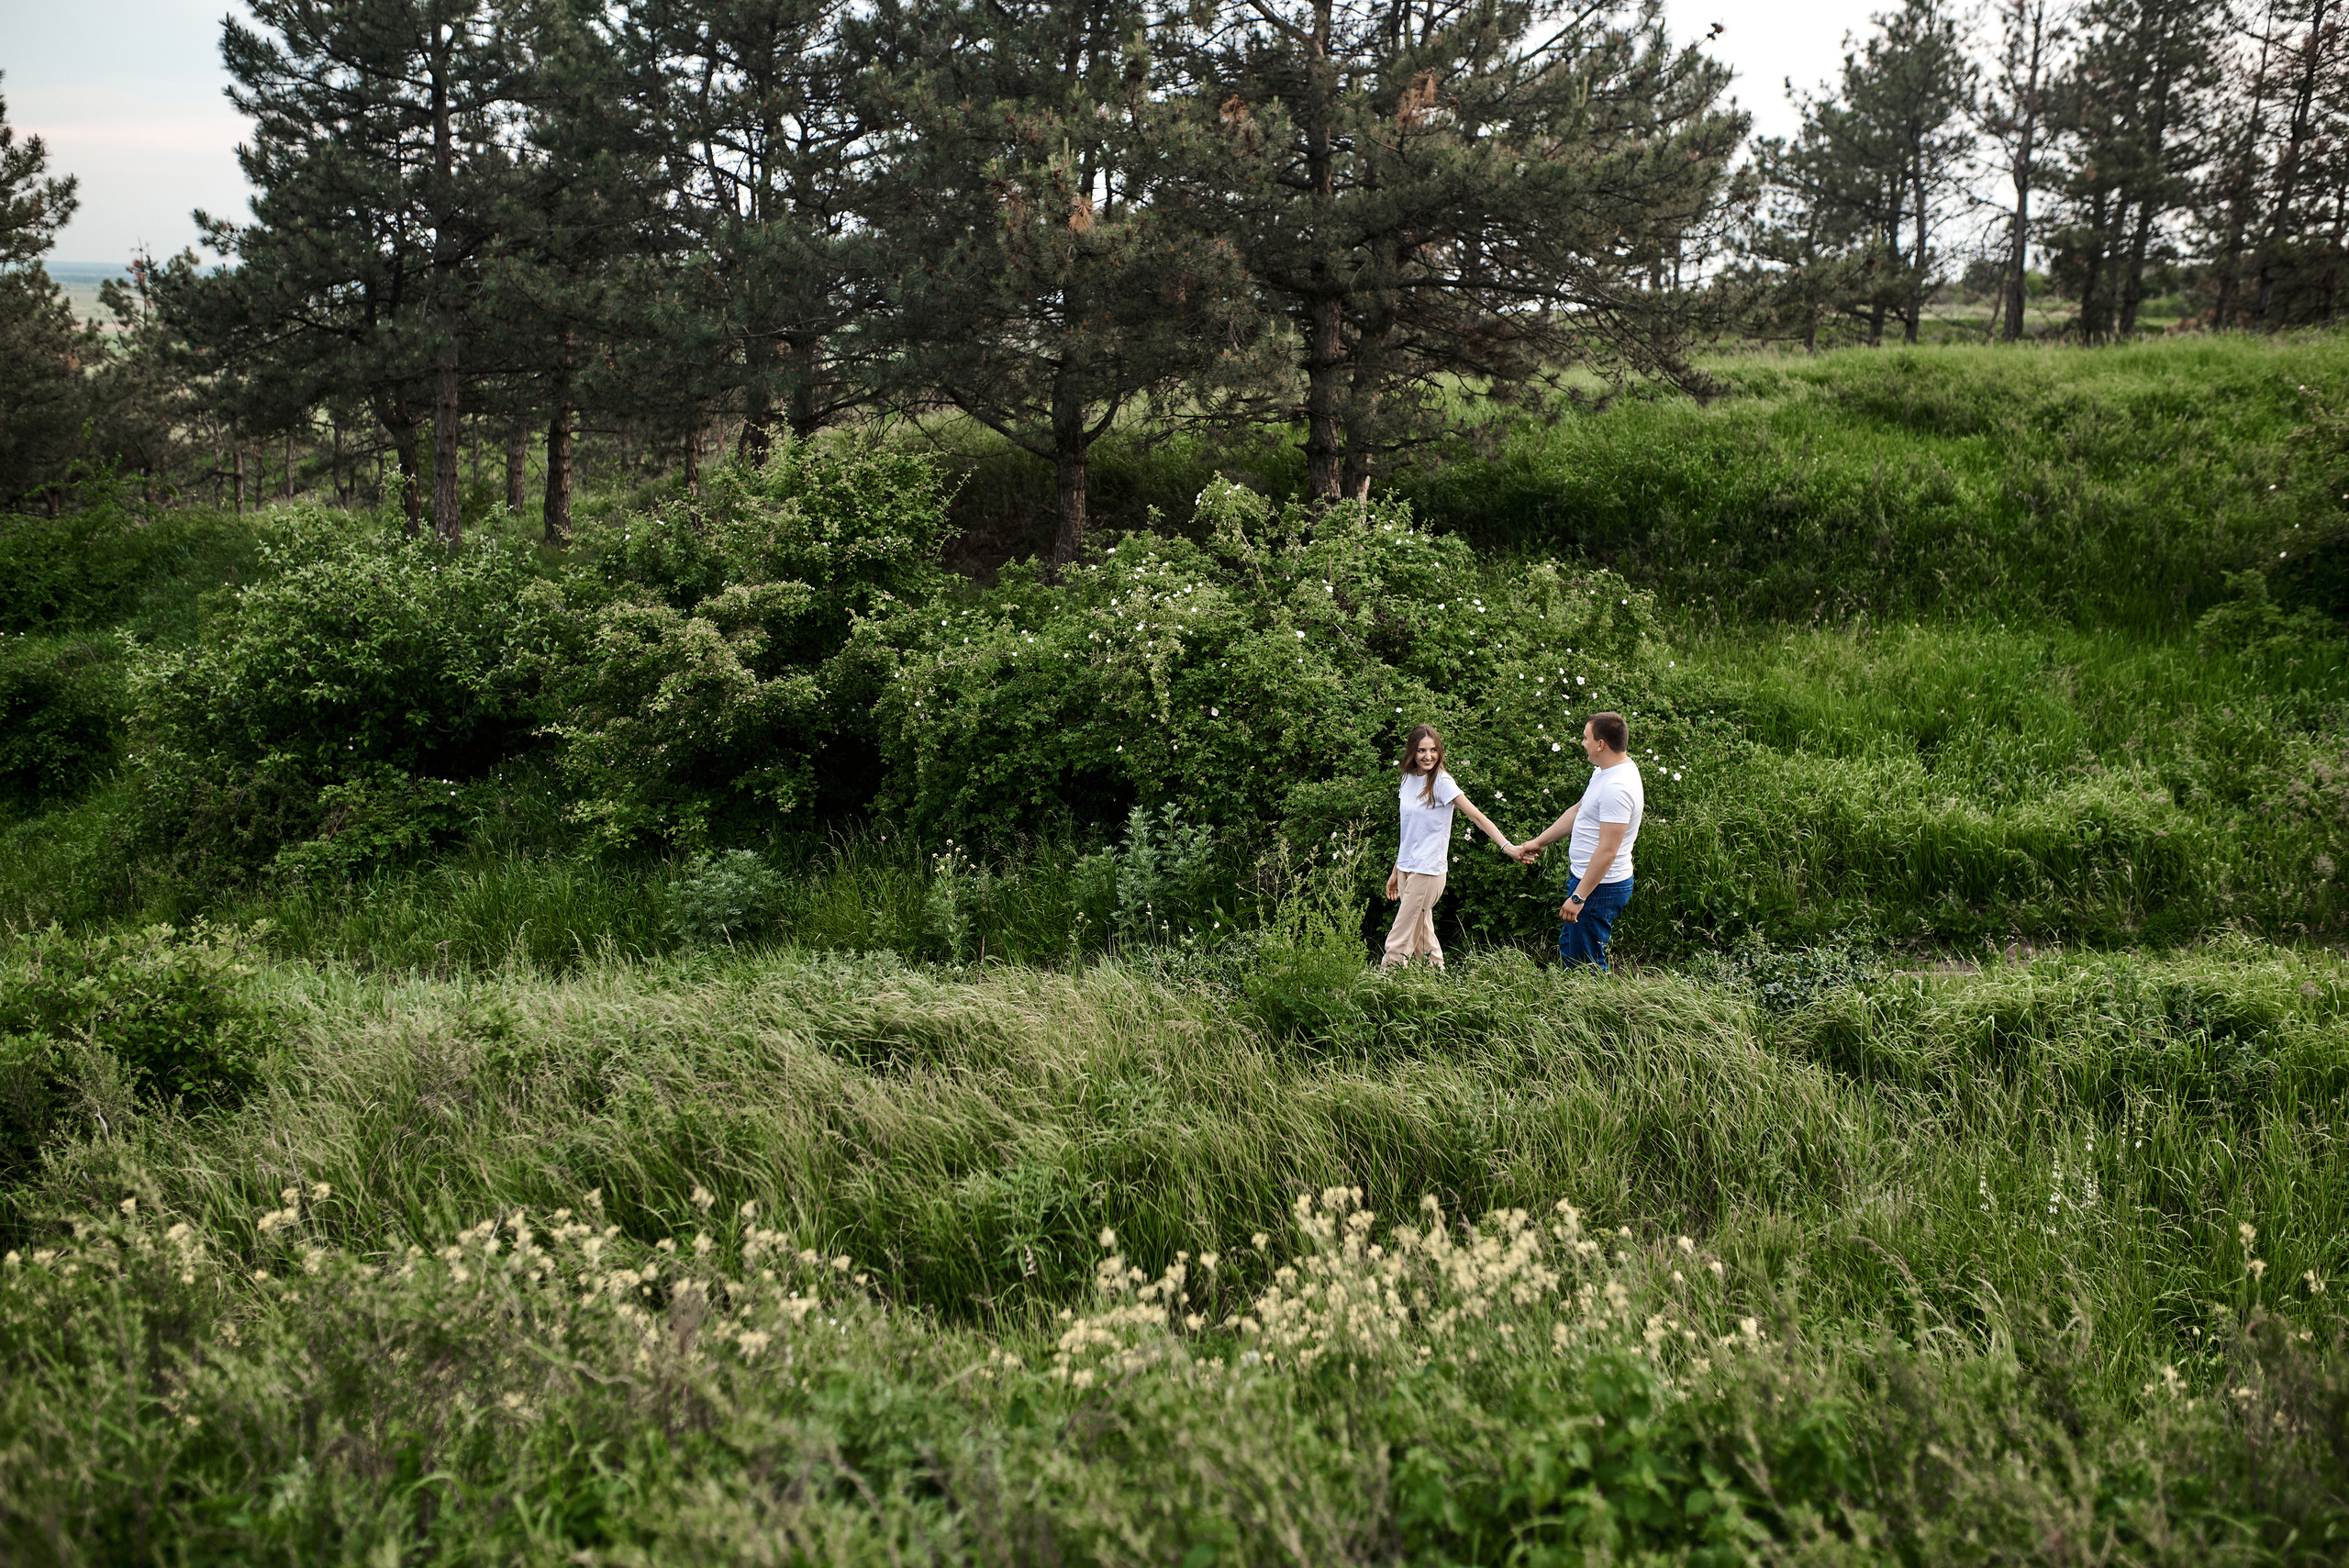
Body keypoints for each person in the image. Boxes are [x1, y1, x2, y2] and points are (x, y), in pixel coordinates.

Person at [1515, 711, 1643, 971]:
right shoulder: (1606, 771)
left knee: (1585, 965)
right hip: (1589, 883)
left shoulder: (1617, 788)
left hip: (1599, 888)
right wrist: (1540, 842)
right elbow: (1579, 810)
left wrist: (1578, 897)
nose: (1582, 743)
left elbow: (1608, 851)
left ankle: (1593, 999)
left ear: (1600, 744)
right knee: (1574, 950)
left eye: (1586, 738)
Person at [1383, 723, 1519, 969]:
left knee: (1398, 939)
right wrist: (1396, 870)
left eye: (1433, 750)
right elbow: (1409, 832)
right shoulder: (1408, 779)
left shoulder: (1442, 782)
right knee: (1423, 938)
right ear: (1412, 752)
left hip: (1427, 871)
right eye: (1422, 750)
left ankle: (1383, 984)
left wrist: (1507, 846)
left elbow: (1477, 817)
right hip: (1406, 868)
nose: (1428, 756)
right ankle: (1437, 980)